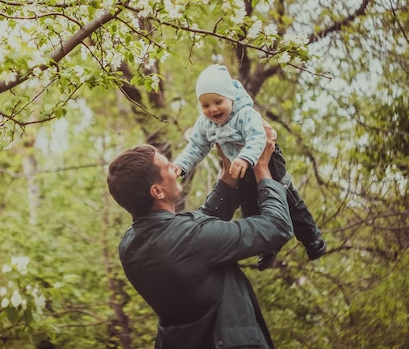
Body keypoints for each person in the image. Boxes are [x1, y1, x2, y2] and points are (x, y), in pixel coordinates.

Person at [107, 126, 292, 348]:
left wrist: (227, 172)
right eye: (167, 167)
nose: (175, 169)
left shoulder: (129, 246)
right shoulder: (191, 238)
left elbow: (201, 228)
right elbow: (277, 226)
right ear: (157, 191)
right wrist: (262, 167)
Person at [172, 64, 326, 270]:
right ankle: (267, 248)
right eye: (205, 105)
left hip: (265, 159)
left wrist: (245, 159)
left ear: (231, 97)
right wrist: (180, 166)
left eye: (218, 102)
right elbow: (196, 147)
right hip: (239, 169)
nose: (213, 109)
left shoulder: (245, 114)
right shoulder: (204, 124)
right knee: (250, 207)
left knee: (286, 197)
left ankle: (311, 237)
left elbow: (257, 137)